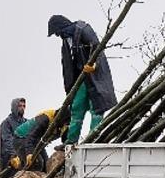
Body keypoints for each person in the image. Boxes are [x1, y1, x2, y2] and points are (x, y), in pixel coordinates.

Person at [47, 15, 118, 144]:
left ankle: (93, 138)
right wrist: (69, 88)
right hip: (80, 80)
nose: (58, 35)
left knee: (96, 108)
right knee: (76, 108)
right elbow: (67, 66)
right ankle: (71, 141)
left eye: (57, 32)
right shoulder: (65, 42)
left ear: (62, 26)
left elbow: (97, 46)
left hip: (94, 77)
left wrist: (93, 64)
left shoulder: (83, 29)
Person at [10, 108, 56, 173]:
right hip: (21, 137)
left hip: (35, 140)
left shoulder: (64, 125)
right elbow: (30, 137)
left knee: (46, 164)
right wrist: (29, 153)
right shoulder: (44, 118)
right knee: (36, 163)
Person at [0, 98, 27, 178]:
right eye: (20, 106)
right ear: (14, 107)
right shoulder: (6, 123)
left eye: (24, 106)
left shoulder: (26, 123)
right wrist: (13, 155)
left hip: (23, 159)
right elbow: (7, 141)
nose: (22, 108)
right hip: (9, 161)